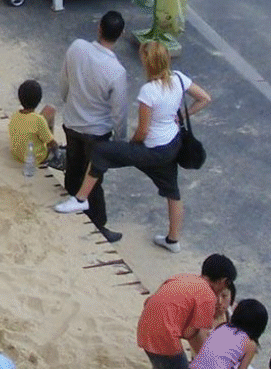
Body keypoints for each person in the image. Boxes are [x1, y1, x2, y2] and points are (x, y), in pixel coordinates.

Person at [56, 39, 210, 254]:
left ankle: (80, 199)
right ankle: (173, 239)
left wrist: (130, 145)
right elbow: (204, 98)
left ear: (148, 63)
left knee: (101, 152)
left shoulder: (149, 91)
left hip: (150, 149)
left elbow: (143, 131)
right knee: (173, 193)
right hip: (171, 146)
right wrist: (181, 116)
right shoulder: (179, 79)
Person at [57, 10, 129, 238]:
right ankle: (98, 225)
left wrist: (68, 102)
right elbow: (119, 111)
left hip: (72, 121)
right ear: (121, 35)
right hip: (97, 131)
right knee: (94, 180)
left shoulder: (77, 47)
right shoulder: (116, 71)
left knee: (73, 166)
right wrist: (120, 140)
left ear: (99, 27)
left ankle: (72, 201)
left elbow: (64, 81)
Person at [8, 78, 56, 169]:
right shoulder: (38, 120)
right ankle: (50, 137)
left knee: (49, 110)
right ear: (39, 99)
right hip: (35, 158)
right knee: (65, 156)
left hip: (18, 155)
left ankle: (46, 137)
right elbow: (53, 145)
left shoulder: (15, 115)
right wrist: (55, 147)